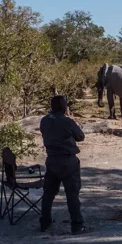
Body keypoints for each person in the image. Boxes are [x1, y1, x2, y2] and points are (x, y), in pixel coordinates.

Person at [39, 95, 90, 234]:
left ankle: (45, 222)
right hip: (67, 161)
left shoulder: (44, 120)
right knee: (72, 194)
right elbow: (80, 136)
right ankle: (77, 224)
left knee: (48, 193)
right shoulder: (67, 121)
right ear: (63, 107)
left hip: (51, 159)